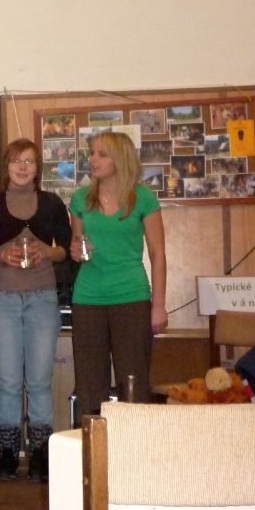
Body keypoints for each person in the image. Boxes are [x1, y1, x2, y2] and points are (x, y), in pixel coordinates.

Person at [0, 139, 71, 482]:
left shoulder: (52, 203)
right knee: (8, 381)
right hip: (3, 299)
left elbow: (66, 249)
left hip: (42, 299)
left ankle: (40, 452)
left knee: (38, 380)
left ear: (38, 168)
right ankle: (8, 452)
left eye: (30, 161)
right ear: (6, 166)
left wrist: (47, 253)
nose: (22, 167)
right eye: (16, 161)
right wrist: (0, 255)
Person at [70, 131, 167, 417]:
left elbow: (158, 254)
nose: (93, 159)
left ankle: (133, 443)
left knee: (133, 381)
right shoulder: (80, 199)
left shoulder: (143, 198)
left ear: (120, 158)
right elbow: (77, 246)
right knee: (89, 383)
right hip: (88, 298)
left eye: (102, 154)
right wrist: (76, 251)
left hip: (131, 296)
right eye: (92, 153)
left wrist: (158, 305)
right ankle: (93, 442)